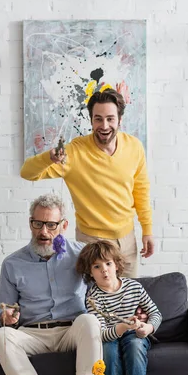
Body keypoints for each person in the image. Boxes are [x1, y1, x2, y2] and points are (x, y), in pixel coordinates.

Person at [0, 193, 113, 375]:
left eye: (51, 225)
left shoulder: (83, 255)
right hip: (33, 333)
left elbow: (109, 280)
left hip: (72, 329)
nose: (43, 231)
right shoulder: (13, 263)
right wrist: (7, 316)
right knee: (0, 336)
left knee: (90, 321)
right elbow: (3, 310)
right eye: (38, 224)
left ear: (64, 225)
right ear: (30, 223)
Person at [20, 87, 154, 277]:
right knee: (93, 302)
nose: (104, 125)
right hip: (91, 241)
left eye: (110, 118)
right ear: (91, 120)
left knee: (128, 301)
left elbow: (141, 191)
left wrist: (147, 230)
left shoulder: (134, 147)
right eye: (98, 119)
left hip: (127, 241)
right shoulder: (74, 152)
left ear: (120, 120)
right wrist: (48, 158)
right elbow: (27, 173)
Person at [76, 240, 162, 375]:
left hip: (134, 335)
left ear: (116, 264)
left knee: (134, 345)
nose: (104, 270)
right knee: (108, 352)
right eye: (97, 267)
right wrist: (122, 327)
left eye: (108, 264)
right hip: (111, 337)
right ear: (90, 272)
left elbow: (155, 314)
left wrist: (147, 328)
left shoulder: (133, 287)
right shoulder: (92, 297)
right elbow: (101, 333)